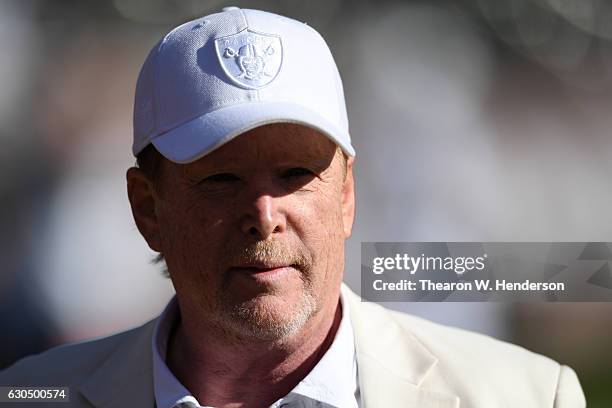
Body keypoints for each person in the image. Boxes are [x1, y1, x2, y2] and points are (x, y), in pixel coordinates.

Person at [0, 7, 586, 408]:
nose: (263, 211)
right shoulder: (30, 395)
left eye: (296, 174)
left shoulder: (528, 394)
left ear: (347, 195)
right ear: (146, 209)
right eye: (221, 178)